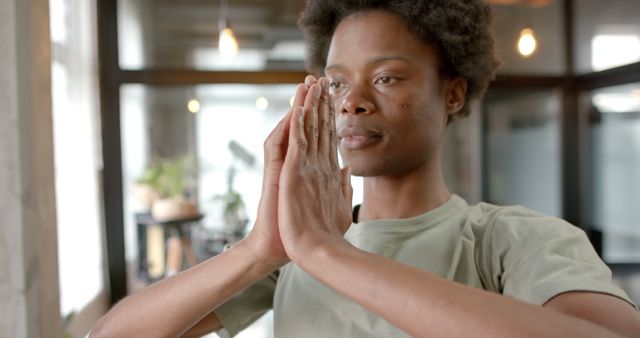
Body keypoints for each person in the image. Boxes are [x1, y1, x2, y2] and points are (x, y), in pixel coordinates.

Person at [91, 1, 640, 337]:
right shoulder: (289, 256)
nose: (350, 101)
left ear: (452, 93)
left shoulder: (509, 242)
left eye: (386, 77)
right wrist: (262, 250)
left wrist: (327, 252)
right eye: (335, 82)